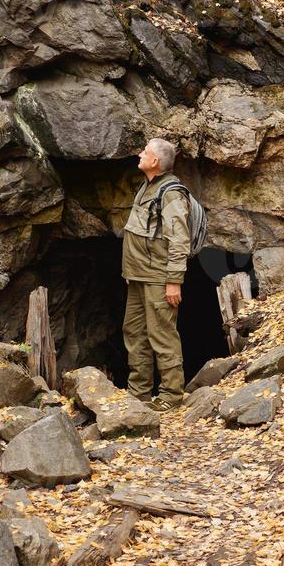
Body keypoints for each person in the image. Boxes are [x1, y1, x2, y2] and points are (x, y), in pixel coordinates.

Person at [122, 138, 190, 411]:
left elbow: (179, 240)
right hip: (138, 275)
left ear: (155, 162)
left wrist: (174, 281)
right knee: (134, 332)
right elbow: (140, 231)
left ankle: (171, 396)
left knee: (161, 334)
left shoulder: (171, 193)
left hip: (158, 277)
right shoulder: (147, 186)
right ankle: (137, 394)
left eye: (145, 152)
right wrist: (129, 270)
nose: (140, 154)